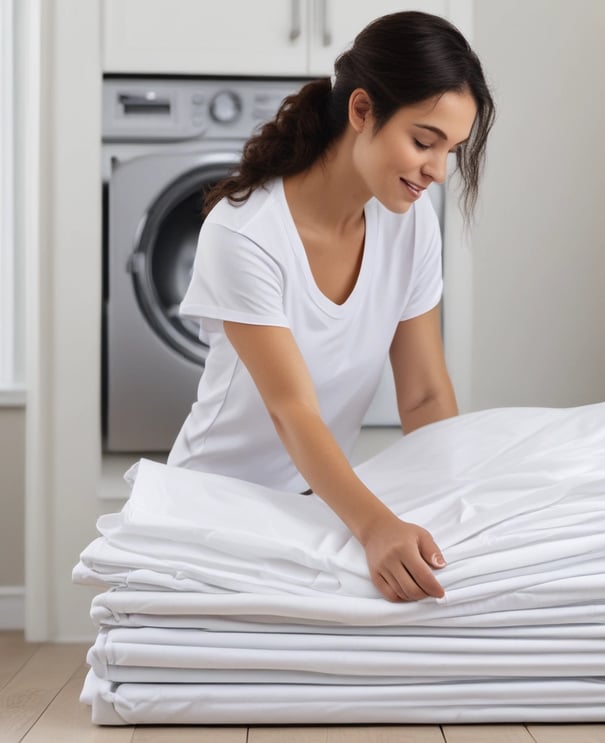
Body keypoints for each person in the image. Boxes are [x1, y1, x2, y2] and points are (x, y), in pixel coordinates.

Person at [167, 11, 495, 604]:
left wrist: (455, 510)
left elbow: (422, 395)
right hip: (212, 507)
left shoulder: (411, 223)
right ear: (362, 111)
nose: (438, 171)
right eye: (424, 141)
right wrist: (373, 525)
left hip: (318, 507)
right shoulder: (245, 234)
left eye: (450, 149)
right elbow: (292, 409)